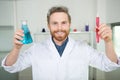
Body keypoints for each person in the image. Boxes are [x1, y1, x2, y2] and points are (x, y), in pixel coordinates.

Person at [1, 6, 120, 80]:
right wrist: (16, 48)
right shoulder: (36, 49)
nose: (59, 28)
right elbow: (11, 67)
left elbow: (109, 64)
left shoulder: (84, 48)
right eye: (54, 23)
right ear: (48, 25)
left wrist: (109, 42)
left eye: (63, 22)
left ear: (69, 24)